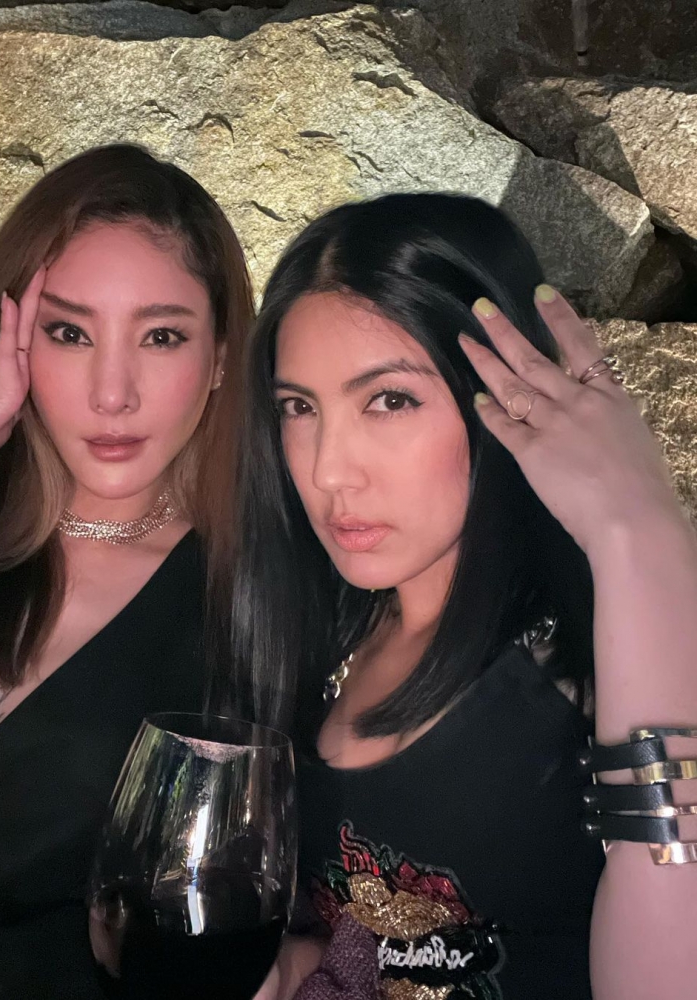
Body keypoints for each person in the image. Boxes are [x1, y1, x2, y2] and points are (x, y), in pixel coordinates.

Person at [234, 193, 697, 999]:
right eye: (298, 408)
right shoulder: (317, 631)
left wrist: (639, 525)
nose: (328, 469)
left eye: (389, 400)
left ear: (508, 403)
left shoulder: (595, 665)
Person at [0, 143, 253, 999]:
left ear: (220, 357)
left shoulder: (241, 608)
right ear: (14, 335)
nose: (111, 393)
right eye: (69, 333)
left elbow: (224, 925)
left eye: (161, 336)